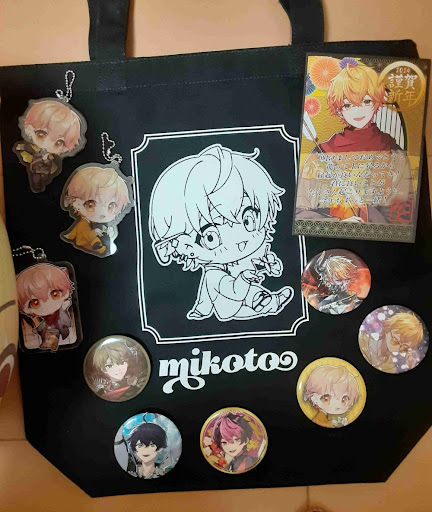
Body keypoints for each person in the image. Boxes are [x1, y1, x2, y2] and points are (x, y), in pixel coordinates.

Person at [149, 144, 294, 321]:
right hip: (232, 305)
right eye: (210, 237)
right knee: (235, 287)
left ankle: (267, 301)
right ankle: (265, 302)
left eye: (248, 220)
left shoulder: (247, 256)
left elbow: (263, 264)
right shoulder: (214, 275)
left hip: (248, 298)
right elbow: (231, 291)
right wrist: (242, 280)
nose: (238, 239)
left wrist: (269, 263)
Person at [296, 63, 413, 224]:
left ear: (377, 102)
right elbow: (300, 212)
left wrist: (366, 212)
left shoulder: (393, 153)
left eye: (366, 101)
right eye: (348, 105)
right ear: (339, 110)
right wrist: (338, 224)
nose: (357, 111)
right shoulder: (322, 153)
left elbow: (402, 218)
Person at [13, 100, 83, 192]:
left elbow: (53, 167)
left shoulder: (52, 161)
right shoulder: (30, 149)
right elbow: (23, 149)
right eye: (41, 134)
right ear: (30, 130)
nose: (47, 144)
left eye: (59, 142)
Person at [62, 165, 132, 256]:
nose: (102, 213)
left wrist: (109, 233)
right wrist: (95, 232)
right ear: (77, 204)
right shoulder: (83, 224)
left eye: (111, 206)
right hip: (85, 245)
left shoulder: (96, 223)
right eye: (90, 205)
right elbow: (86, 236)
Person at [16, 263, 75, 352]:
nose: (47, 304)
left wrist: (64, 308)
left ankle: (52, 343)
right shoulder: (42, 320)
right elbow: (41, 325)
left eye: (55, 294)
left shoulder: (62, 310)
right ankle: (48, 343)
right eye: (35, 303)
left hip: (60, 329)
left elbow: (65, 321)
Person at [359, 312, 424, 373]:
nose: (398, 347)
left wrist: (411, 367)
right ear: (387, 329)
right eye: (395, 340)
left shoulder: (390, 367)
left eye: (404, 347)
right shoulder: (363, 339)